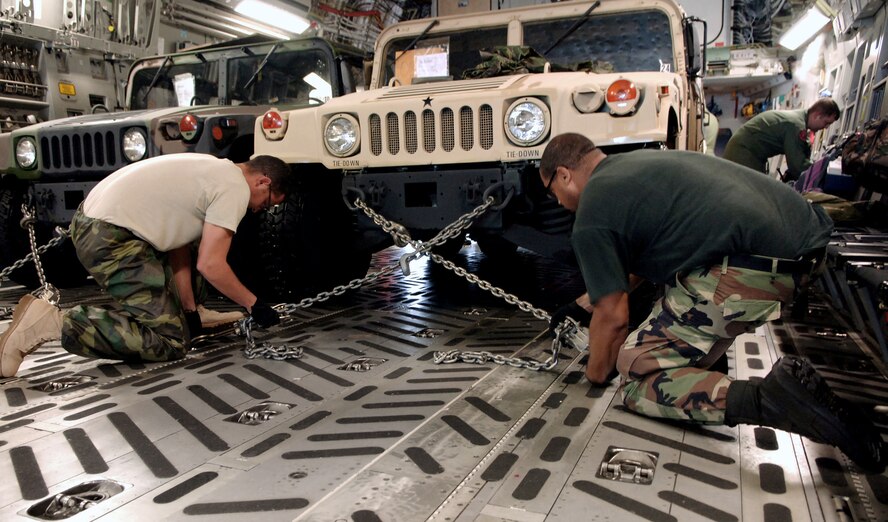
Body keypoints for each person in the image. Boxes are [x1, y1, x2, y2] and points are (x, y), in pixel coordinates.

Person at [540, 133, 885, 473]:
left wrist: (597, 373)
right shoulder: (632, 168)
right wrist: (585, 303)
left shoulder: (592, 212)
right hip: (803, 247)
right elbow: (642, 257)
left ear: (564, 174)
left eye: (551, 191)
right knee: (671, 318)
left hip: (755, 270)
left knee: (635, 375)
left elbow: (614, 317)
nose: (556, 202)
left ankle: (774, 399)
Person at [0, 153, 290, 377]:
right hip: (111, 238)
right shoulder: (235, 189)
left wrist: (189, 311)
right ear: (263, 181)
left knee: (193, 259)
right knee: (170, 343)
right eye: (265, 203)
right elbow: (211, 265)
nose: (258, 210)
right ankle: (51, 323)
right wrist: (256, 305)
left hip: (96, 222)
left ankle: (185, 315)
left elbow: (178, 240)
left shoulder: (214, 167)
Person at [722, 97, 840, 180]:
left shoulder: (798, 119)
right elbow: (797, 167)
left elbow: (799, 152)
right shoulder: (796, 126)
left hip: (746, 150)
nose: (825, 127)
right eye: (826, 123)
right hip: (743, 151)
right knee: (755, 193)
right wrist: (822, 171)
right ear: (817, 116)